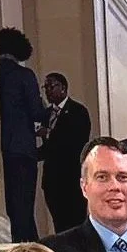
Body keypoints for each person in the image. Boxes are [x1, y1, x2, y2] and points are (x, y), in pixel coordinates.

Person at [0, 28, 45, 242]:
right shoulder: (24, 75)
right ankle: (28, 248)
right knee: (24, 206)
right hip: (23, 148)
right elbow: (37, 112)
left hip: (0, 147)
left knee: (8, 202)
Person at [39, 72, 91, 231]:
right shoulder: (46, 114)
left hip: (71, 176)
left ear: (63, 88)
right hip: (52, 178)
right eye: (45, 87)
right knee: (59, 223)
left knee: (75, 222)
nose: (47, 91)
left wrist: (48, 134)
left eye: (51, 86)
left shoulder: (78, 111)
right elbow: (47, 148)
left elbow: (76, 140)